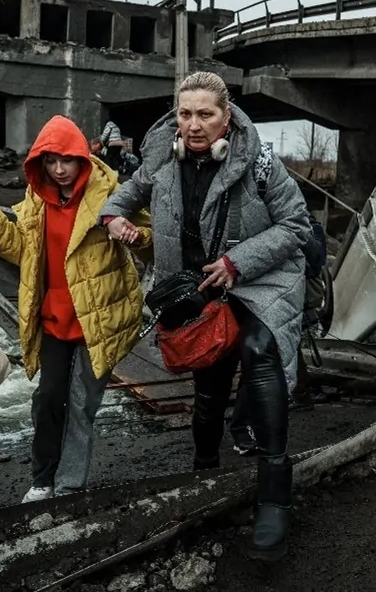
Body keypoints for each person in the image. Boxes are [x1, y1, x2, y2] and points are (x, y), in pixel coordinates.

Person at [99, 71, 312, 560]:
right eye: (185, 113)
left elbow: (297, 225)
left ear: (226, 116)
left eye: (206, 114)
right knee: (210, 384)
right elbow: (124, 195)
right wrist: (115, 220)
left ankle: (275, 496)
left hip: (259, 278)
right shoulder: (161, 156)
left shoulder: (257, 159)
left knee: (262, 353)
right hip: (197, 289)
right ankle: (204, 476)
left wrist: (239, 262)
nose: (194, 125)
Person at [0, 115, 152, 503]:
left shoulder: (112, 194)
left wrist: (135, 236)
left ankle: (69, 486)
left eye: (67, 160)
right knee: (47, 399)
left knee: (80, 404)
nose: (58, 169)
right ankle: (42, 481)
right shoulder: (36, 199)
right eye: (51, 160)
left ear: (82, 160)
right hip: (55, 319)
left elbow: (152, 238)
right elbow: (23, 250)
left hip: (99, 320)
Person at [231, 213, 328, 454]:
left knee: (263, 361)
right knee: (273, 356)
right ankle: (252, 425)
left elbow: (314, 262)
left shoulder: (303, 227)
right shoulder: (296, 226)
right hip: (277, 305)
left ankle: (246, 428)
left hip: (284, 303)